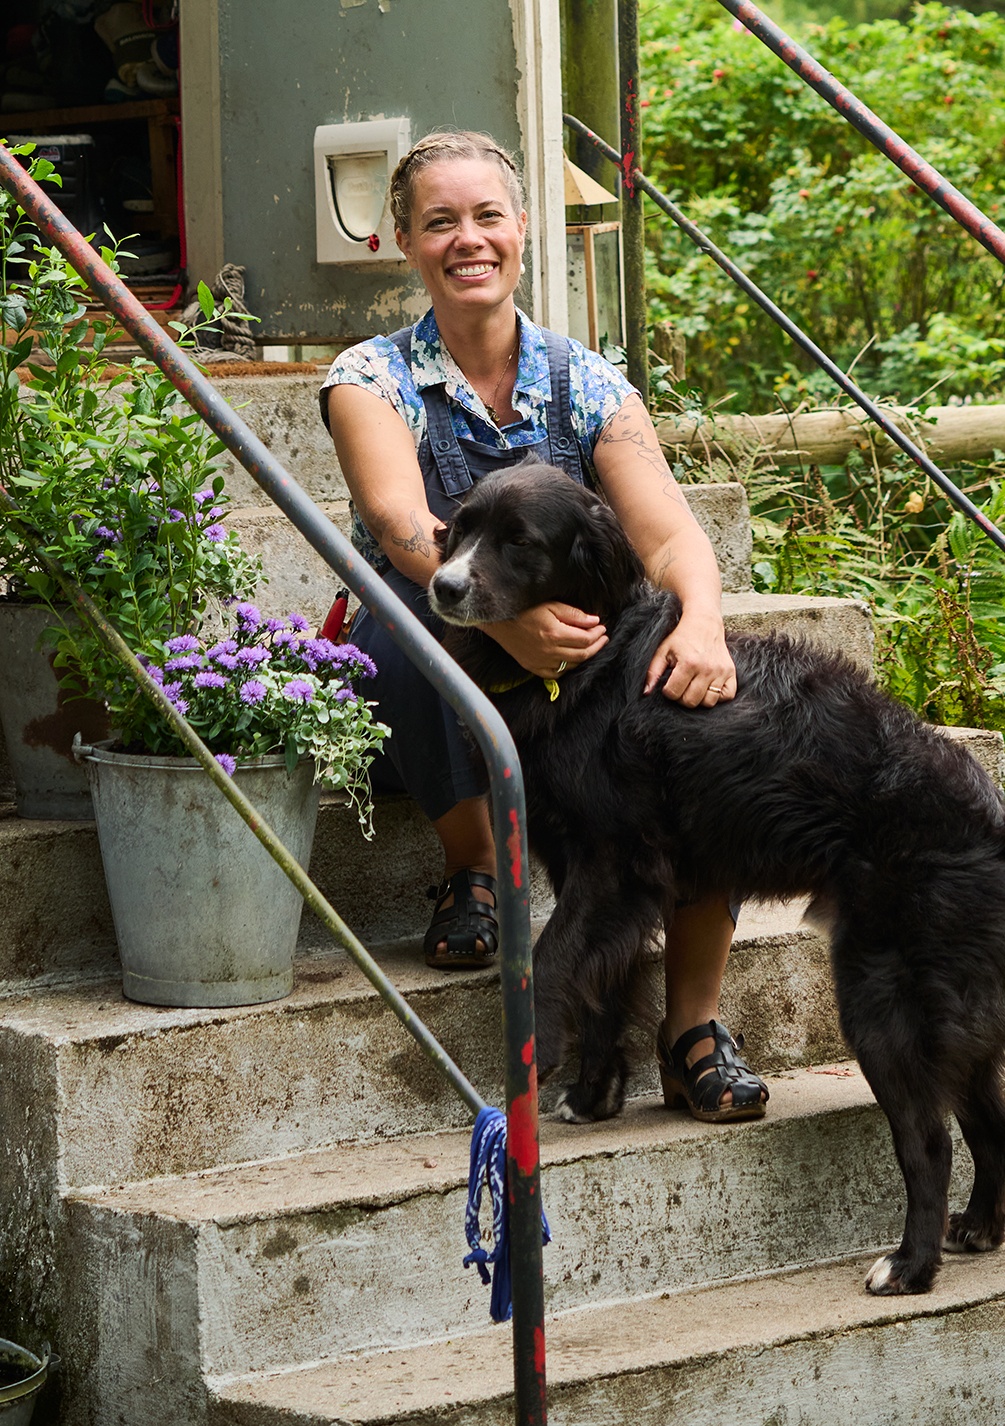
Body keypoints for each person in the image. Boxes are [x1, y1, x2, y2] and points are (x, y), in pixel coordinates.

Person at [320, 128, 767, 1123]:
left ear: (524, 228)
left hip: (580, 687)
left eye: (488, 215)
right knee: (411, 623)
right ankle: (478, 869)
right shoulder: (370, 377)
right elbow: (401, 523)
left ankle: (693, 1024)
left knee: (705, 720)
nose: (467, 238)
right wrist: (505, 626)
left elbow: (668, 531)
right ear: (406, 241)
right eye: (440, 220)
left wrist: (701, 622)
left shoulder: (587, 382)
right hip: (430, 676)